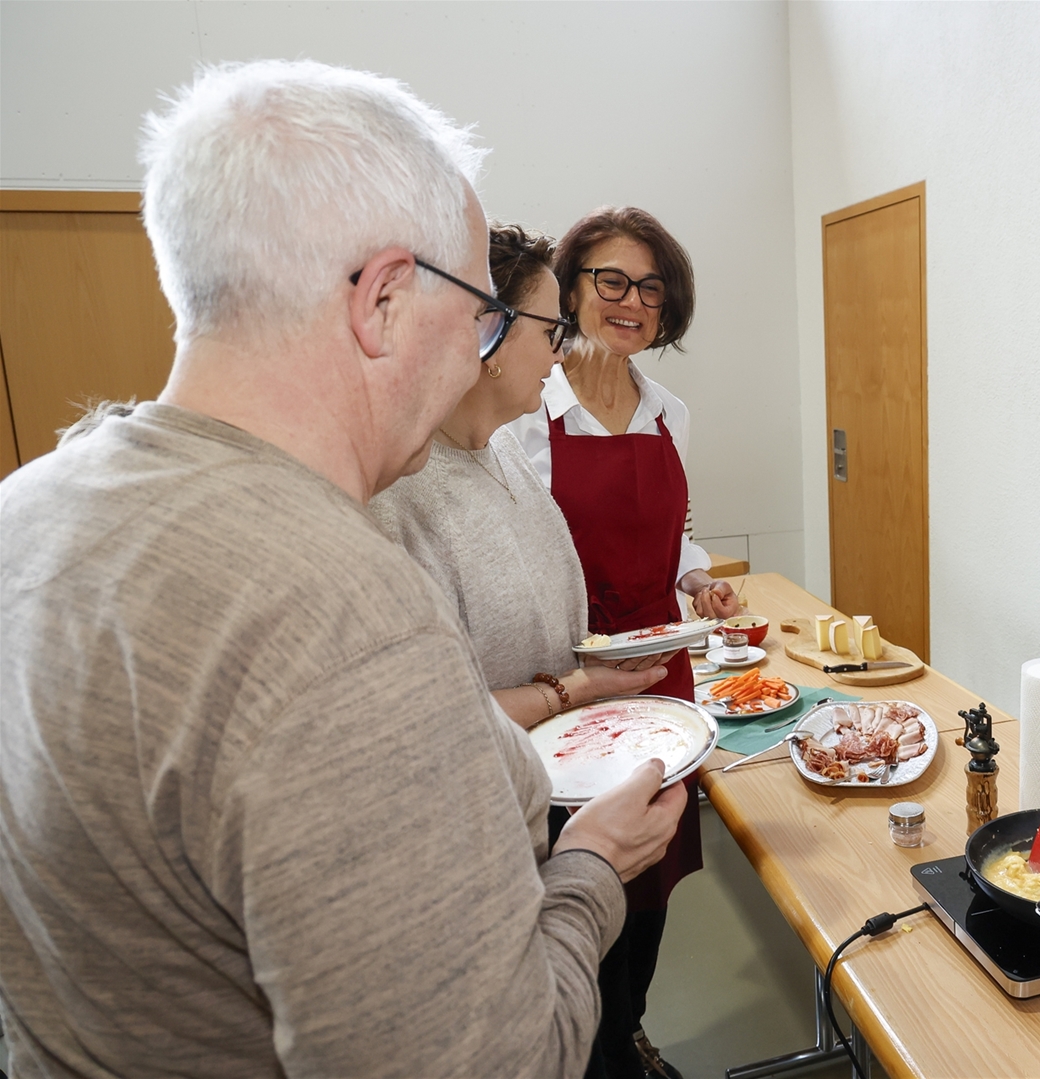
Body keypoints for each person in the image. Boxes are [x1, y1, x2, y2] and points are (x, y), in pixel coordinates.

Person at [0, 60, 682, 1079]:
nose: (482, 348)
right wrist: (587, 867)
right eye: (477, 311)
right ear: (384, 299)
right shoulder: (349, 621)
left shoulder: (26, 508)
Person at [506, 207, 731, 1079]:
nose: (631, 301)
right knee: (577, 874)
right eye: (611, 279)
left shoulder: (670, 411)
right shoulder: (528, 409)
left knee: (652, 878)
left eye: (650, 287)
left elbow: (670, 535)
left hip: (663, 674)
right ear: (569, 289)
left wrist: (695, 578)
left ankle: (627, 1030)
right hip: (570, 683)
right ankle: (585, 1052)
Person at [371, 223, 674, 730]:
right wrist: (573, 689)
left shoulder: (504, 450)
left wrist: (598, 668)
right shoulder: (396, 494)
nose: (560, 353)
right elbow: (423, 717)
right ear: (488, 330)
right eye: (550, 331)